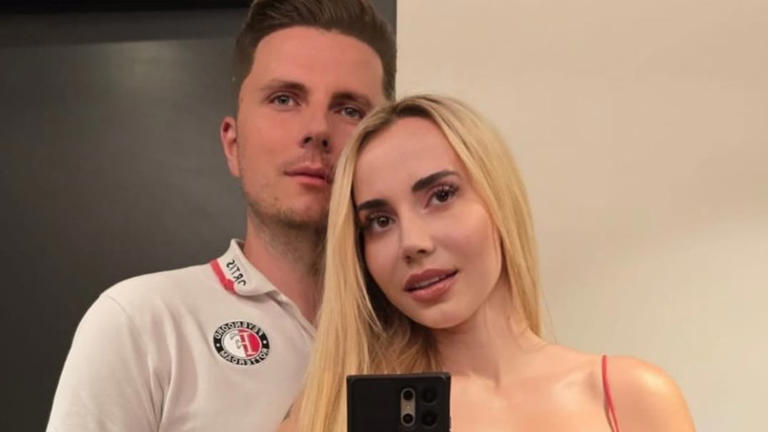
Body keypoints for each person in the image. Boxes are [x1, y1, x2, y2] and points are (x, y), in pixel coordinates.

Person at [46, 1, 394, 431]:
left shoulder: (421, 329)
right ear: (233, 145)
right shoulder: (142, 324)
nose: (318, 129)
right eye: (284, 99)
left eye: (350, 110)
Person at [285, 95, 696, 431]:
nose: (412, 243)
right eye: (379, 221)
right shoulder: (328, 417)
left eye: (441, 196)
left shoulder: (630, 399)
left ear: (498, 198)